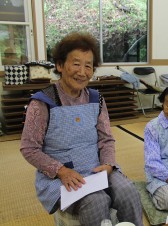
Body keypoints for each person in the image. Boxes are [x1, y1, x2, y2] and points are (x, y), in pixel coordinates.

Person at [20, 32, 143, 226]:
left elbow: (106, 139)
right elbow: (29, 148)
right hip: (62, 176)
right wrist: (60, 171)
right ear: (60, 65)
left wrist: (109, 164)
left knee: (129, 191)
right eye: (76, 64)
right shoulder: (42, 102)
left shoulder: (96, 99)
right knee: (97, 201)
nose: (83, 72)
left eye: (88, 66)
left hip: (97, 169)